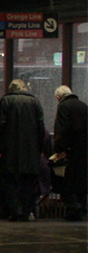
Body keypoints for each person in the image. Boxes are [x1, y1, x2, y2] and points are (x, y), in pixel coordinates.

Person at [0, 78, 46, 221]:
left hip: (10, 150)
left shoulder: (6, 101)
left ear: (11, 89)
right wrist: (40, 148)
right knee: (28, 183)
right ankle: (26, 211)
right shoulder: (34, 102)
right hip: (31, 151)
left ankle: (16, 211)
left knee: (10, 181)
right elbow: (41, 128)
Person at [52, 85, 87, 222]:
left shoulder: (63, 107)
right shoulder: (84, 106)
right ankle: (80, 209)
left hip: (71, 152)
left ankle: (74, 207)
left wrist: (59, 150)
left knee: (67, 184)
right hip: (84, 151)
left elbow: (62, 130)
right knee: (82, 183)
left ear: (59, 97)